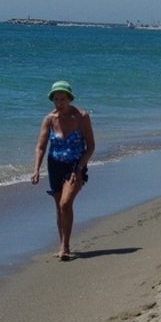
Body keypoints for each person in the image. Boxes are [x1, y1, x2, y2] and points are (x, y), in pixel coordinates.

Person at [31, 81, 96, 261]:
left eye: (63, 99)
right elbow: (41, 147)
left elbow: (91, 146)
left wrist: (80, 167)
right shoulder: (49, 119)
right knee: (59, 207)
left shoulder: (82, 117)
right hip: (54, 166)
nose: (59, 103)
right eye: (56, 99)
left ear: (69, 99)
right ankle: (62, 244)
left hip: (75, 166)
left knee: (65, 204)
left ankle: (65, 247)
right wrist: (36, 170)